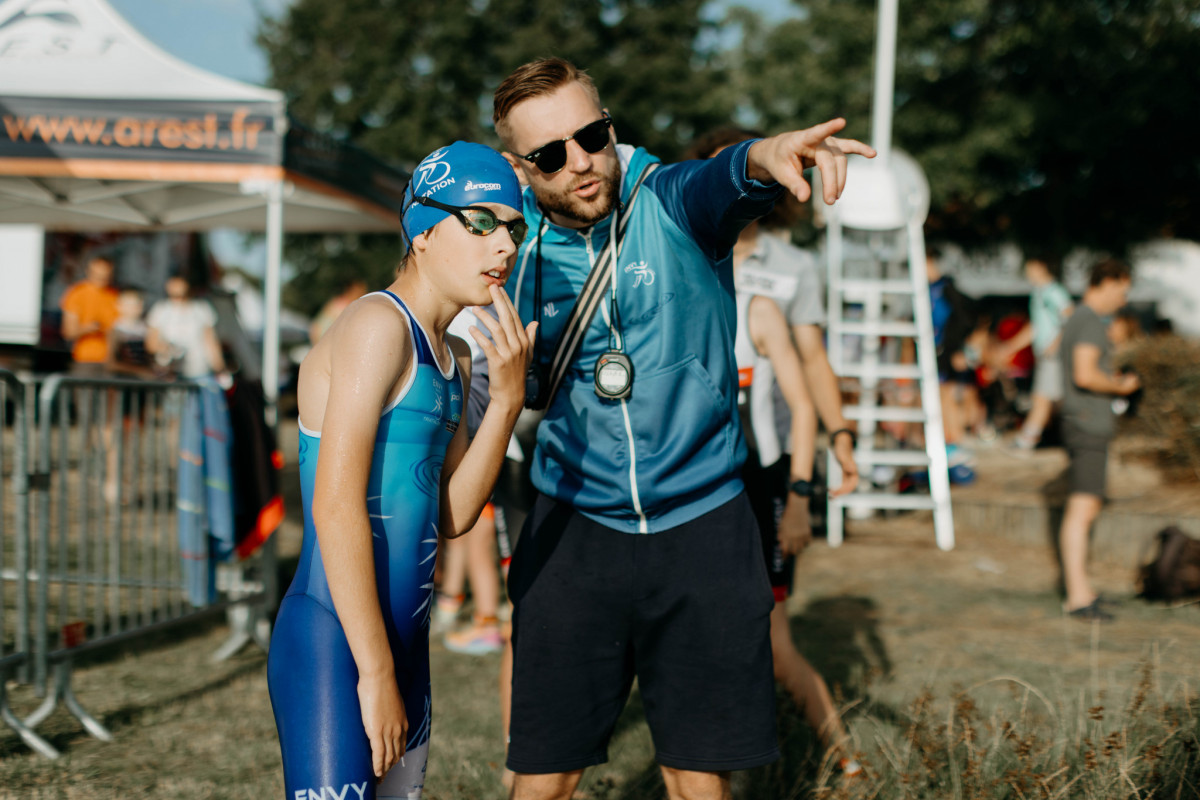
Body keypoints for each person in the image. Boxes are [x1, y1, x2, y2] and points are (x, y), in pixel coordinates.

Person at [488, 58, 873, 800]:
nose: (581, 162)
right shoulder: (510, 249)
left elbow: (724, 177)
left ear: (610, 127)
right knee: (543, 775)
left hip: (703, 521)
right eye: (551, 155)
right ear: (520, 167)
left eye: (591, 136)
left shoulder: (668, 201)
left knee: (697, 773)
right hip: (573, 527)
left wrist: (768, 153)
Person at [266, 141, 536, 799]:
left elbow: (454, 514)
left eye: (515, 227)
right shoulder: (377, 326)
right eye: (482, 223)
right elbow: (335, 506)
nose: (505, 245)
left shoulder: (455, 356)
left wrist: (506, 402)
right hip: (338, 642)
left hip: (404, 644)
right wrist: (375, 671)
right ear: (423, 230)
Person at [693, 126, 861, 774]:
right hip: (696, 471)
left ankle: (831, 759)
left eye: (739, 171)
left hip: (771, 463)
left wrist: (834, 444)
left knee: (768, 631)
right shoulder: (681, 249)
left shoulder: (790, 271)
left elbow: (812, 364)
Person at [1057, 258, 1139, 621]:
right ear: (1106, 283)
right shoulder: (1089, 321)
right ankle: (1077, 597)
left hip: (1084, 422)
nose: (1123, 300)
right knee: (1083, 509)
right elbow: (1085, 375)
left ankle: (1083, 590)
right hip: (1088, 424)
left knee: (1086, 508)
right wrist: (1121, 386)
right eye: (1122, 290)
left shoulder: (1080, 318)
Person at [995, 256, 1074, 450]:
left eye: (1031, 268)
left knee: (1041, 396)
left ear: (1042, 266)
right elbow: (1035, 328)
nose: (1027, 273)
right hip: (1046, 355)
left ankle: (1027, 440)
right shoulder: (1039, 293)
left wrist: (1054, 344)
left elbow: (1069, 317)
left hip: (1053, 355)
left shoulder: (1054, 291)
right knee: (1052, 397)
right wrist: (1010, 347)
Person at [144, 274, 226, 379]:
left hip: (199, 371)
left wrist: (220, 368)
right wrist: (169, 350)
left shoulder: (202, 309)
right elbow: (151, 343)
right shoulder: (160, 309)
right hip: (170, 374)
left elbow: (211, 341)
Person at [59, 255, 119, 375]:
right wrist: (89, 328)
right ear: (88, 272)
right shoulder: (77, 293)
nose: (101, 279)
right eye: (97, 275)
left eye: (105, 276)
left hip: (112, 361)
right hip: (86, 359)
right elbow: (68, 332)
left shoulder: (114, 295)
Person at [310, 277, 369, 344]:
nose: (363, 293)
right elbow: (317, 328)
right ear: (351, 290)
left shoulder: (350, 306)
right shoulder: (340, 305)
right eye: (360, 291)